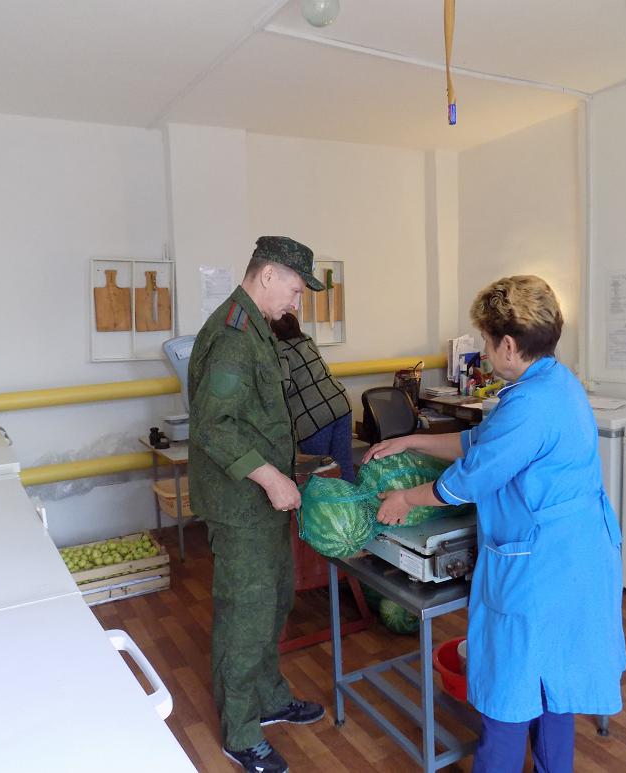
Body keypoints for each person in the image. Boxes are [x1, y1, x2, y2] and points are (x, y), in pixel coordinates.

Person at [363, 275, 626, 773]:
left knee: (510, 692)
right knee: (552, 688)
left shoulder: (530, 406)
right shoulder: (555, 382)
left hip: (542, 567)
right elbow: (480, 442)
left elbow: (465, 481)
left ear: (508, 345)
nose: (483, 352)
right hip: (576, 555)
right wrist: (413, 440)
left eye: (485, 341)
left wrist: (404, 499)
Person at [188, 236, 327, 773]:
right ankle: (241, 732)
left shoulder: (257, 327)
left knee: (274, 600)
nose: (297, 301)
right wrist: (271, 478)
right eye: (295, 289)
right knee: (245, 615)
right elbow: (213, 426)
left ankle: (269, 697)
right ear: (268, 275)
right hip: (241, 503)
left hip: (262, 500)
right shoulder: (233, 336)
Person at [269, 312, 355, 482]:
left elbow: (284, 385)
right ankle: (352, 498)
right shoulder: (307, 339)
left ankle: (325, 500)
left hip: (314, 417)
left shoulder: (279, 350)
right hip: (341, 403)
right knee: (343, 464)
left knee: (319, 471)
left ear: (274, 332)